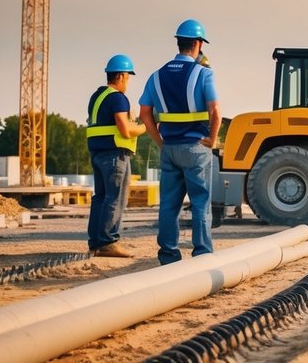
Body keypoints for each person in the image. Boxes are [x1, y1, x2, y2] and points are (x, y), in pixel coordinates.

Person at [139, 19, 222, 265]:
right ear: (197, 44)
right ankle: (202, 254)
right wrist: (212, 139)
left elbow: (145, 114)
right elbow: (215, 111)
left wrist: (160, 142)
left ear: (178, 42)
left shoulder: (156, 76)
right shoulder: (204, 73)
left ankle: (168, 256)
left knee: (168, 206)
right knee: (200, 203)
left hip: (170, 148)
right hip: (197, 147)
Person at [86, 54, 146, 258]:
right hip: (114, 155)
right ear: (120, 75)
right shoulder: (118, 98)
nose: (128, 81)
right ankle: (108, 242)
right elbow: (124, 129)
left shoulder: (97, 96)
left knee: (100, 197)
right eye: (128, 76)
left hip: (97, 153)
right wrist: (144, 127)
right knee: (115, 197)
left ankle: (95, 242)